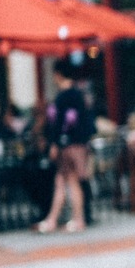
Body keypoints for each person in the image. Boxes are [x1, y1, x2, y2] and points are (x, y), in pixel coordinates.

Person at [36, 69, 95, 233]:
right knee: (62, 181)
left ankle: (77, 219)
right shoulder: (80, 95)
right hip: (80, 144)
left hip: (67, 145)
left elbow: (59, 123)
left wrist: (55, 143)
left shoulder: (63, 97)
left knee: (70, 180)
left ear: (58, 74)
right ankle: (53, 219)